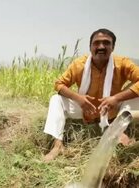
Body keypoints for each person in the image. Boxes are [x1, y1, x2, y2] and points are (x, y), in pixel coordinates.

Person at [43, 28, 139, 162]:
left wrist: (116, 98)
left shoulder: (122, 63)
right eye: (96, 43)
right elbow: (59, 84)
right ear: (90, 47)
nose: (101, 46)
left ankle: (118, 130)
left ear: (113, 47)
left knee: (136, 96)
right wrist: (79, 98)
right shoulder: (79, 64)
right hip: (86, 109)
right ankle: (57, 145)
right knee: (56, 99)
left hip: (112, 109)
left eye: (106, 43)